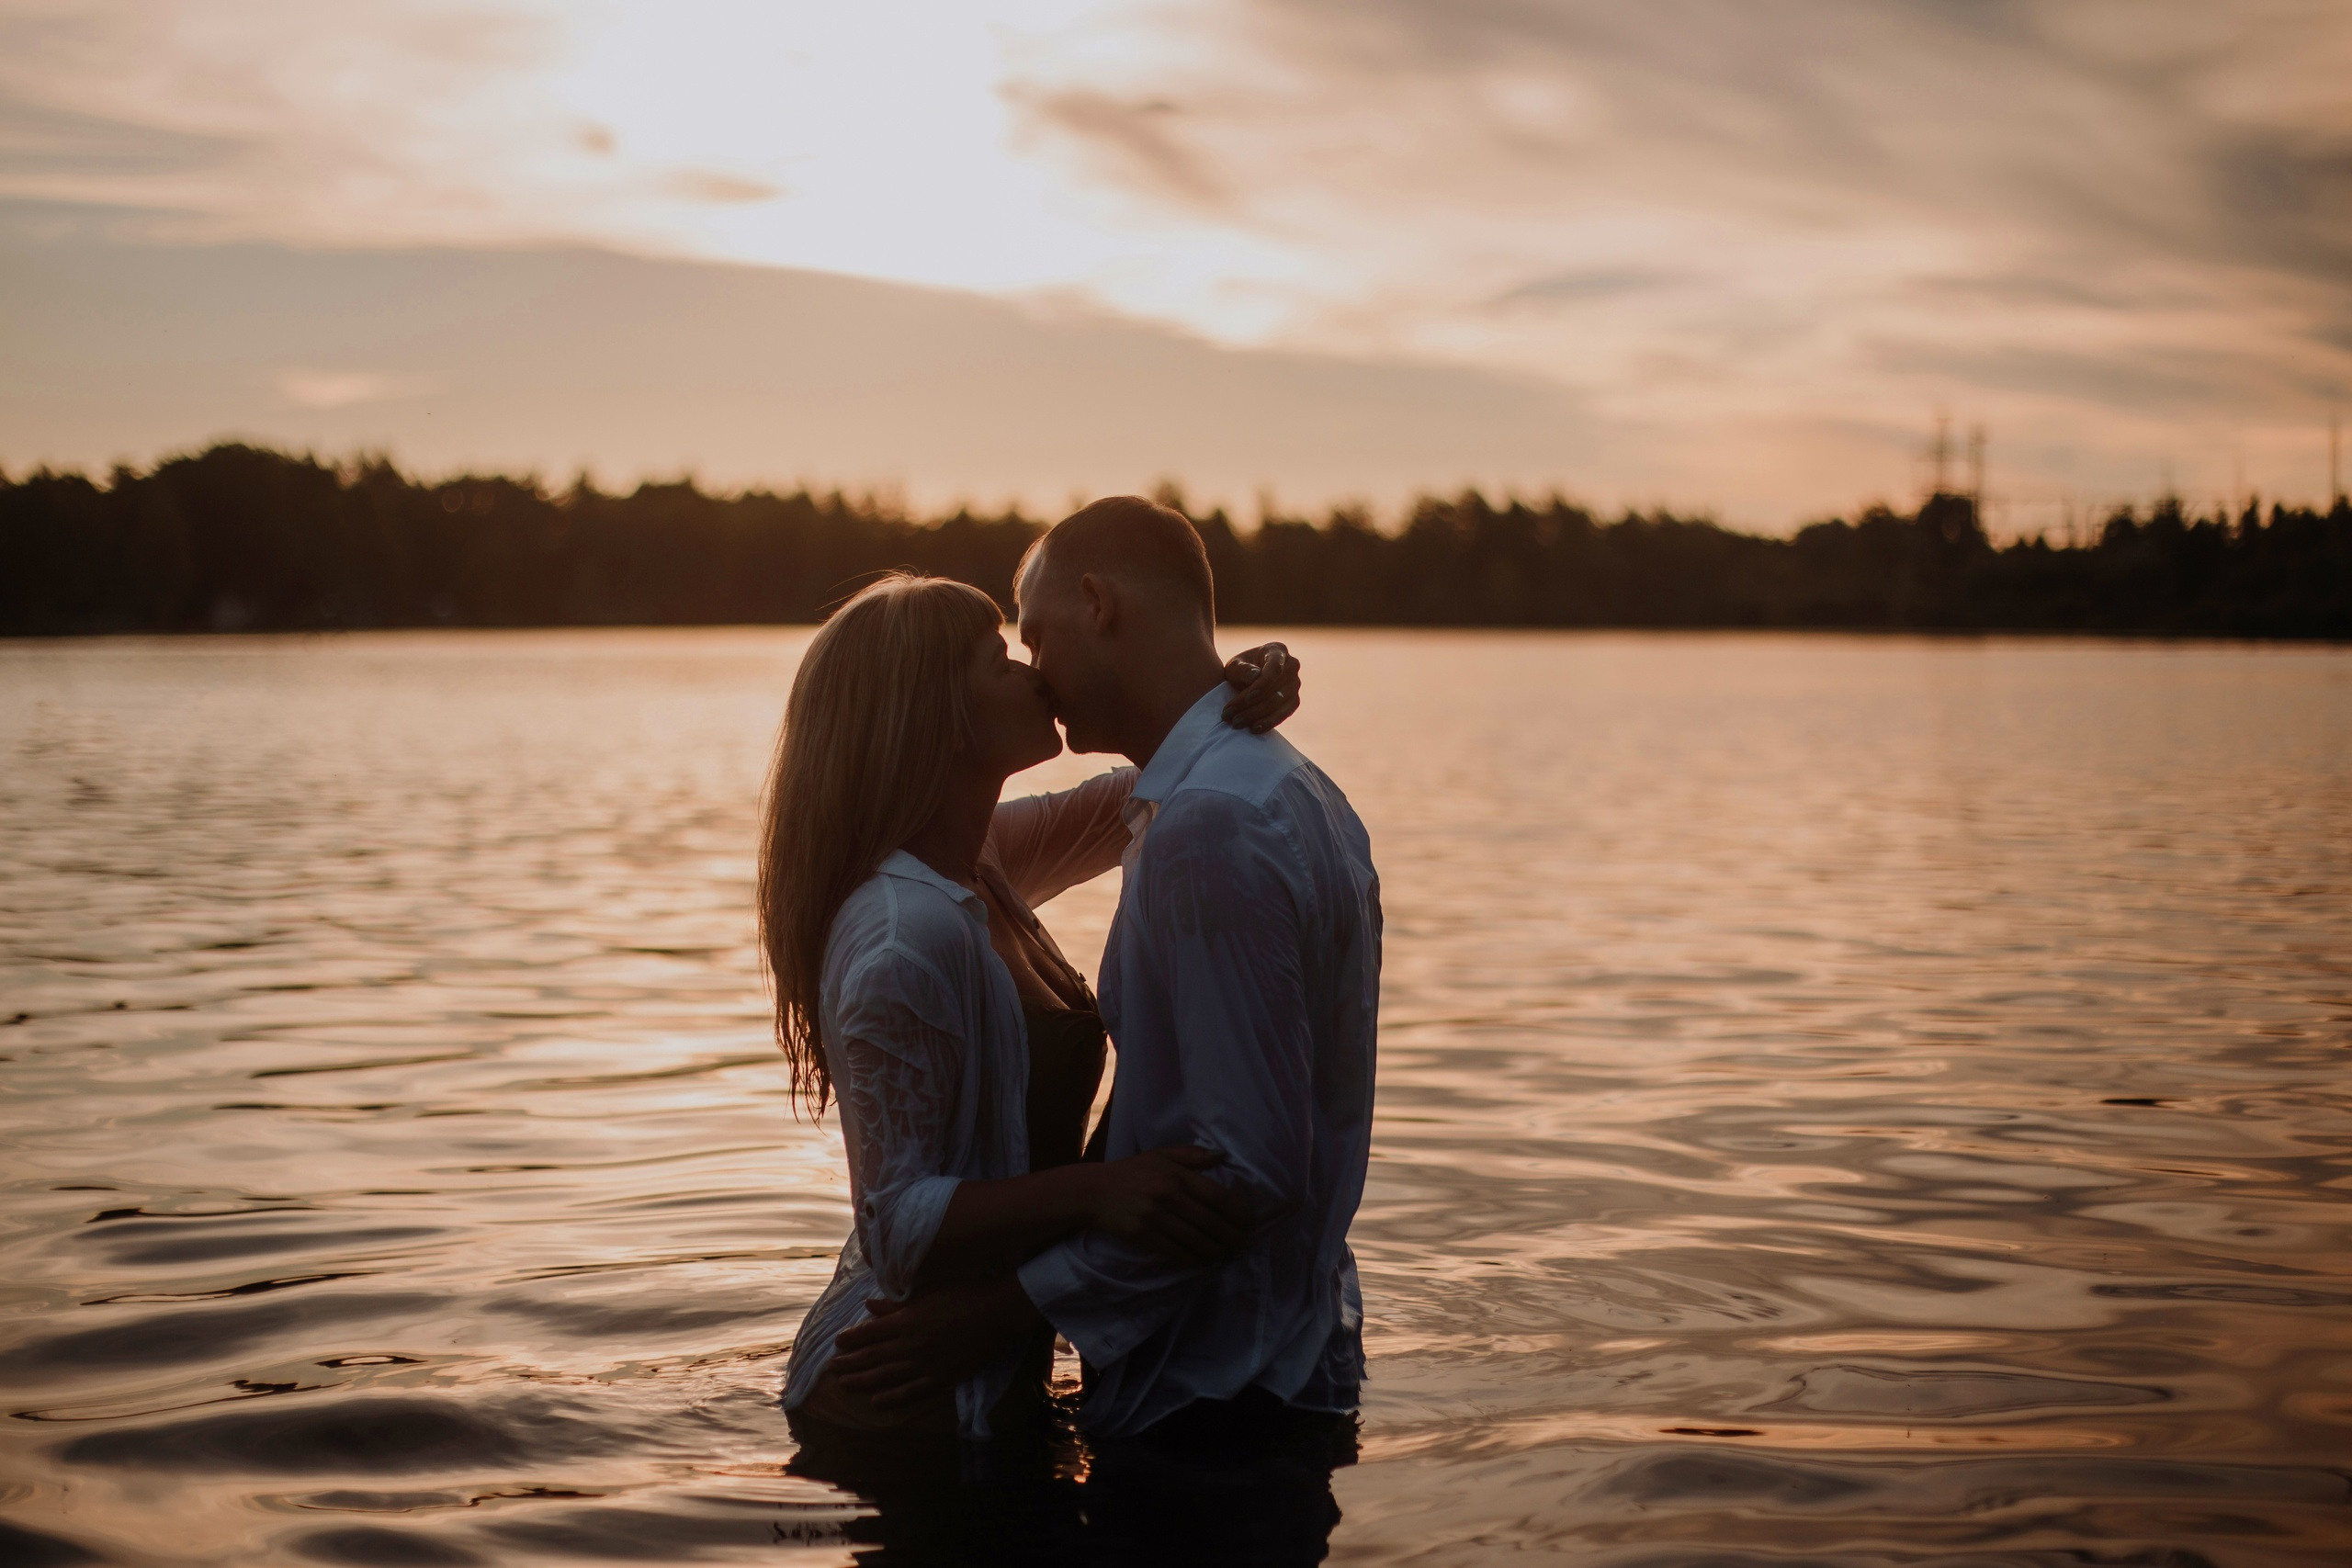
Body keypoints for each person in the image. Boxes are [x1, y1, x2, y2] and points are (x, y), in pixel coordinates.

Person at [828, 495, 1382, 1451]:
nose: (1035, 675)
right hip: (1026, 1377)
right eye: (1005, 656)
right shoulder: (1271, 792)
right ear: (934, 711)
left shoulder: (1207, 818)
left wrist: (1245, 676)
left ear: (1097, 603)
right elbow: (1165, 774)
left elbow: (1242, 1176)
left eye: (1033, 637)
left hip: (1211, 1383)